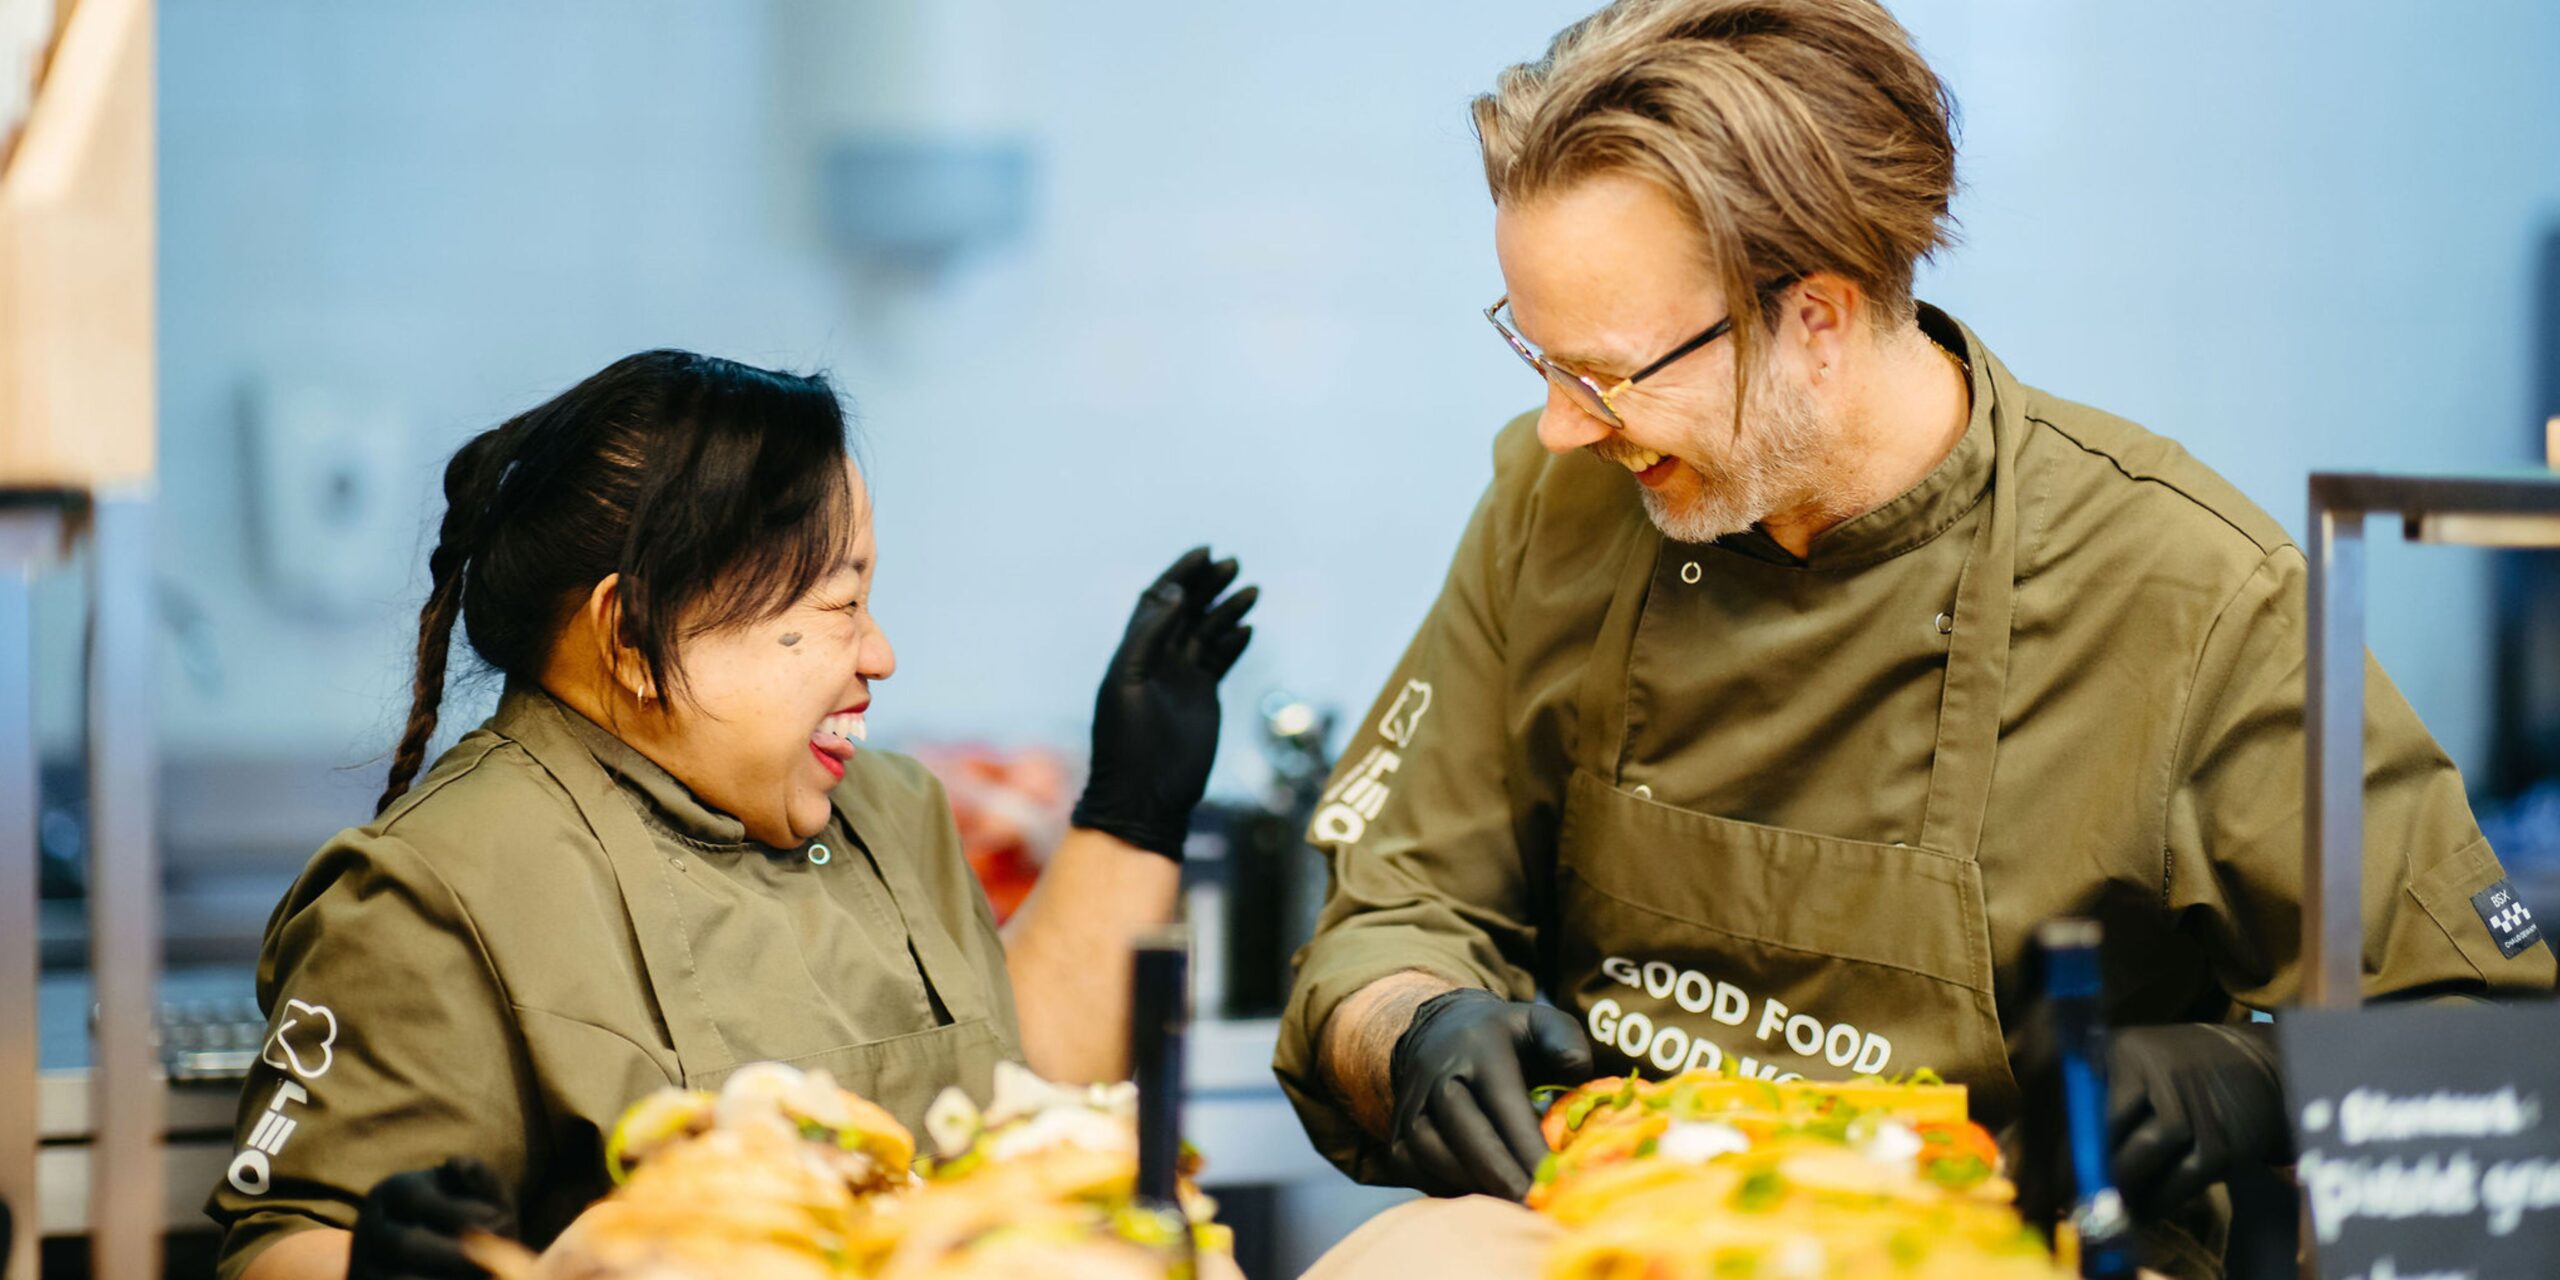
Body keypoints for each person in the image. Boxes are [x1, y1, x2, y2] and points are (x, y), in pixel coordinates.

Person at [1272, 2, 2555, 1275]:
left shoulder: (2190, 593)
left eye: (1602, 376)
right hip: (1616, 1226)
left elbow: (2499, 1047)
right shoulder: (1560, 508)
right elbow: (1396, 904)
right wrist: (1412, 1025)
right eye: (1534, 356)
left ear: (1814, 322)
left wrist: (2245, 1077)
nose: (1559, 425)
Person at [207, 350, 1257, 1280]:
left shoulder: (893, 810)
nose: (879, 653)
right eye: (838, 606)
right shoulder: (434, 889)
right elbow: (282, 1238)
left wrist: (1131, 814)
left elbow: (1023, 1112)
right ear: (634, 634)